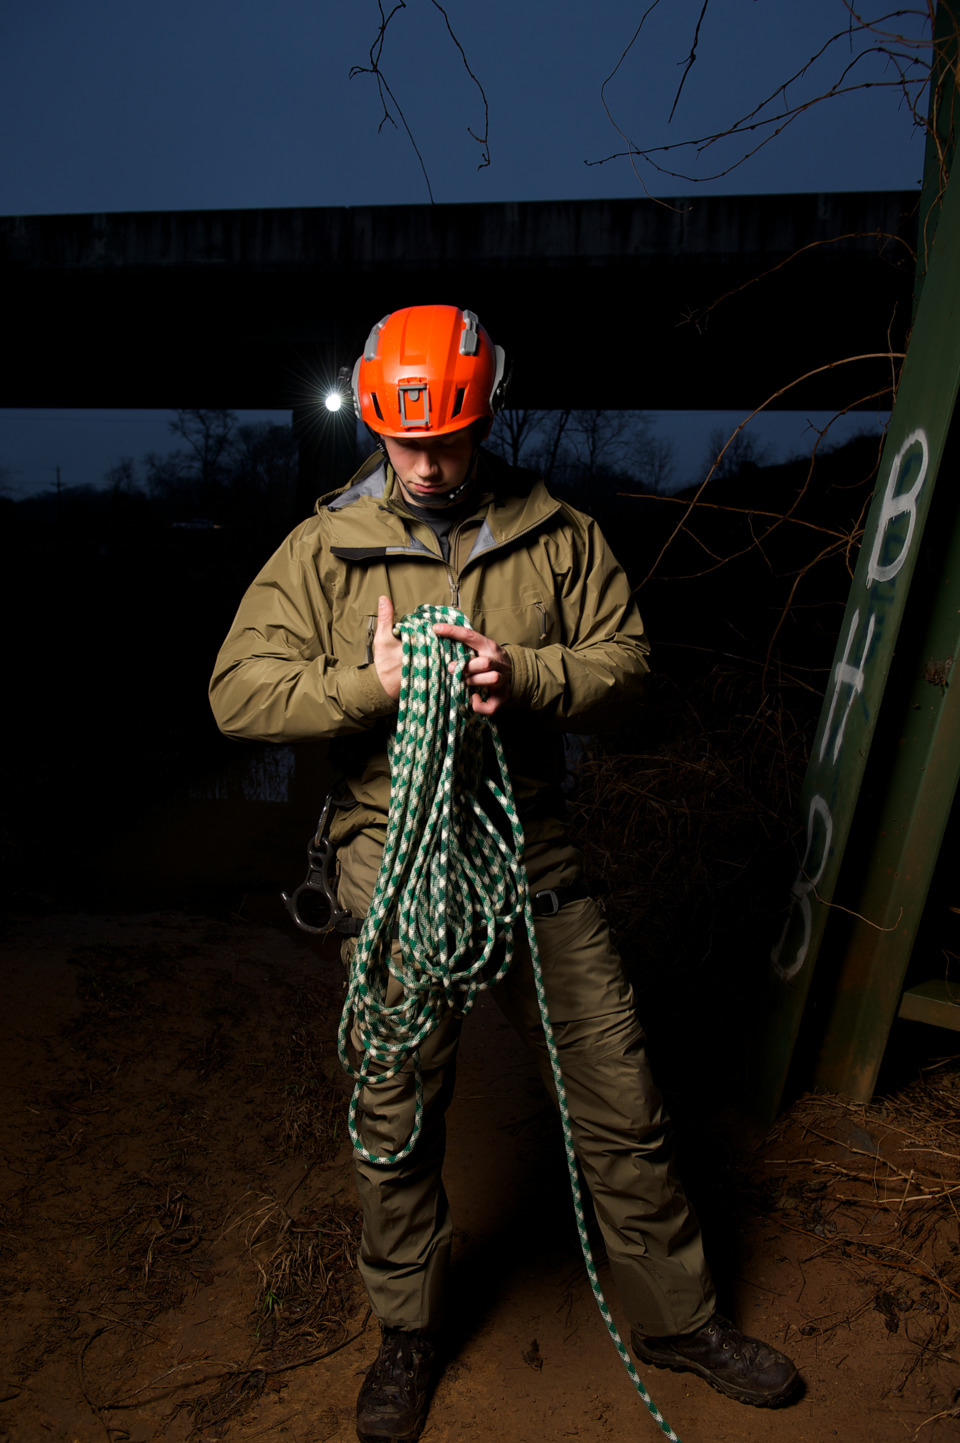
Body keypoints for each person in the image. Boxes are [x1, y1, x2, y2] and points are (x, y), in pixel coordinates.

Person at [209, 304, 799, 1442]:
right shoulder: (322, 549)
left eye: (452, 439)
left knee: (621, 1096)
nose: (429, 466)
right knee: (396, 1111)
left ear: (487, 417)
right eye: (405, 442)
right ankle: (410, 1333)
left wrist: (527, 675)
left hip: (534, 853)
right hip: (394, 860)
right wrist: (368, 687)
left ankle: (680, 1321)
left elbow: (632, 675)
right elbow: (237, 693)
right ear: (378, 425)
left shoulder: (561, 535)